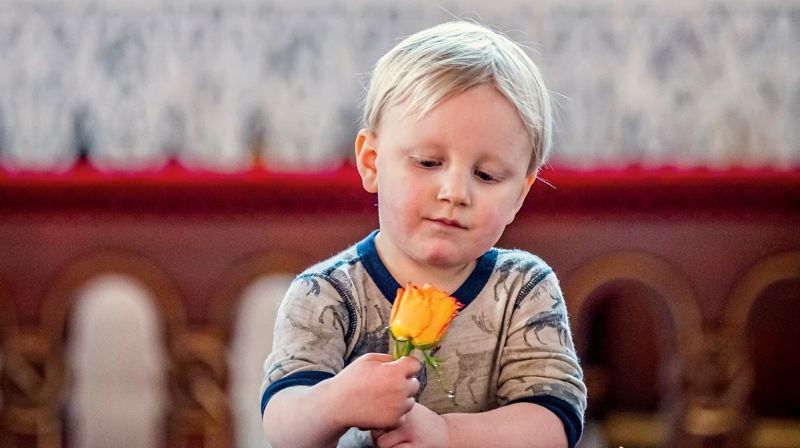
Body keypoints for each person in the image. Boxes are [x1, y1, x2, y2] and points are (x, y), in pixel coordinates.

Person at [261, 21, 586, 448]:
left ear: (519, 196)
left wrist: (447, 434)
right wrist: (332, 402)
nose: (454, 193)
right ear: (372, 162)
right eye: (428, 163)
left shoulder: (524, 290)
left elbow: (554, 421)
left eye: (486, 175)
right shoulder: (325, 294)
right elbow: (283, 424)